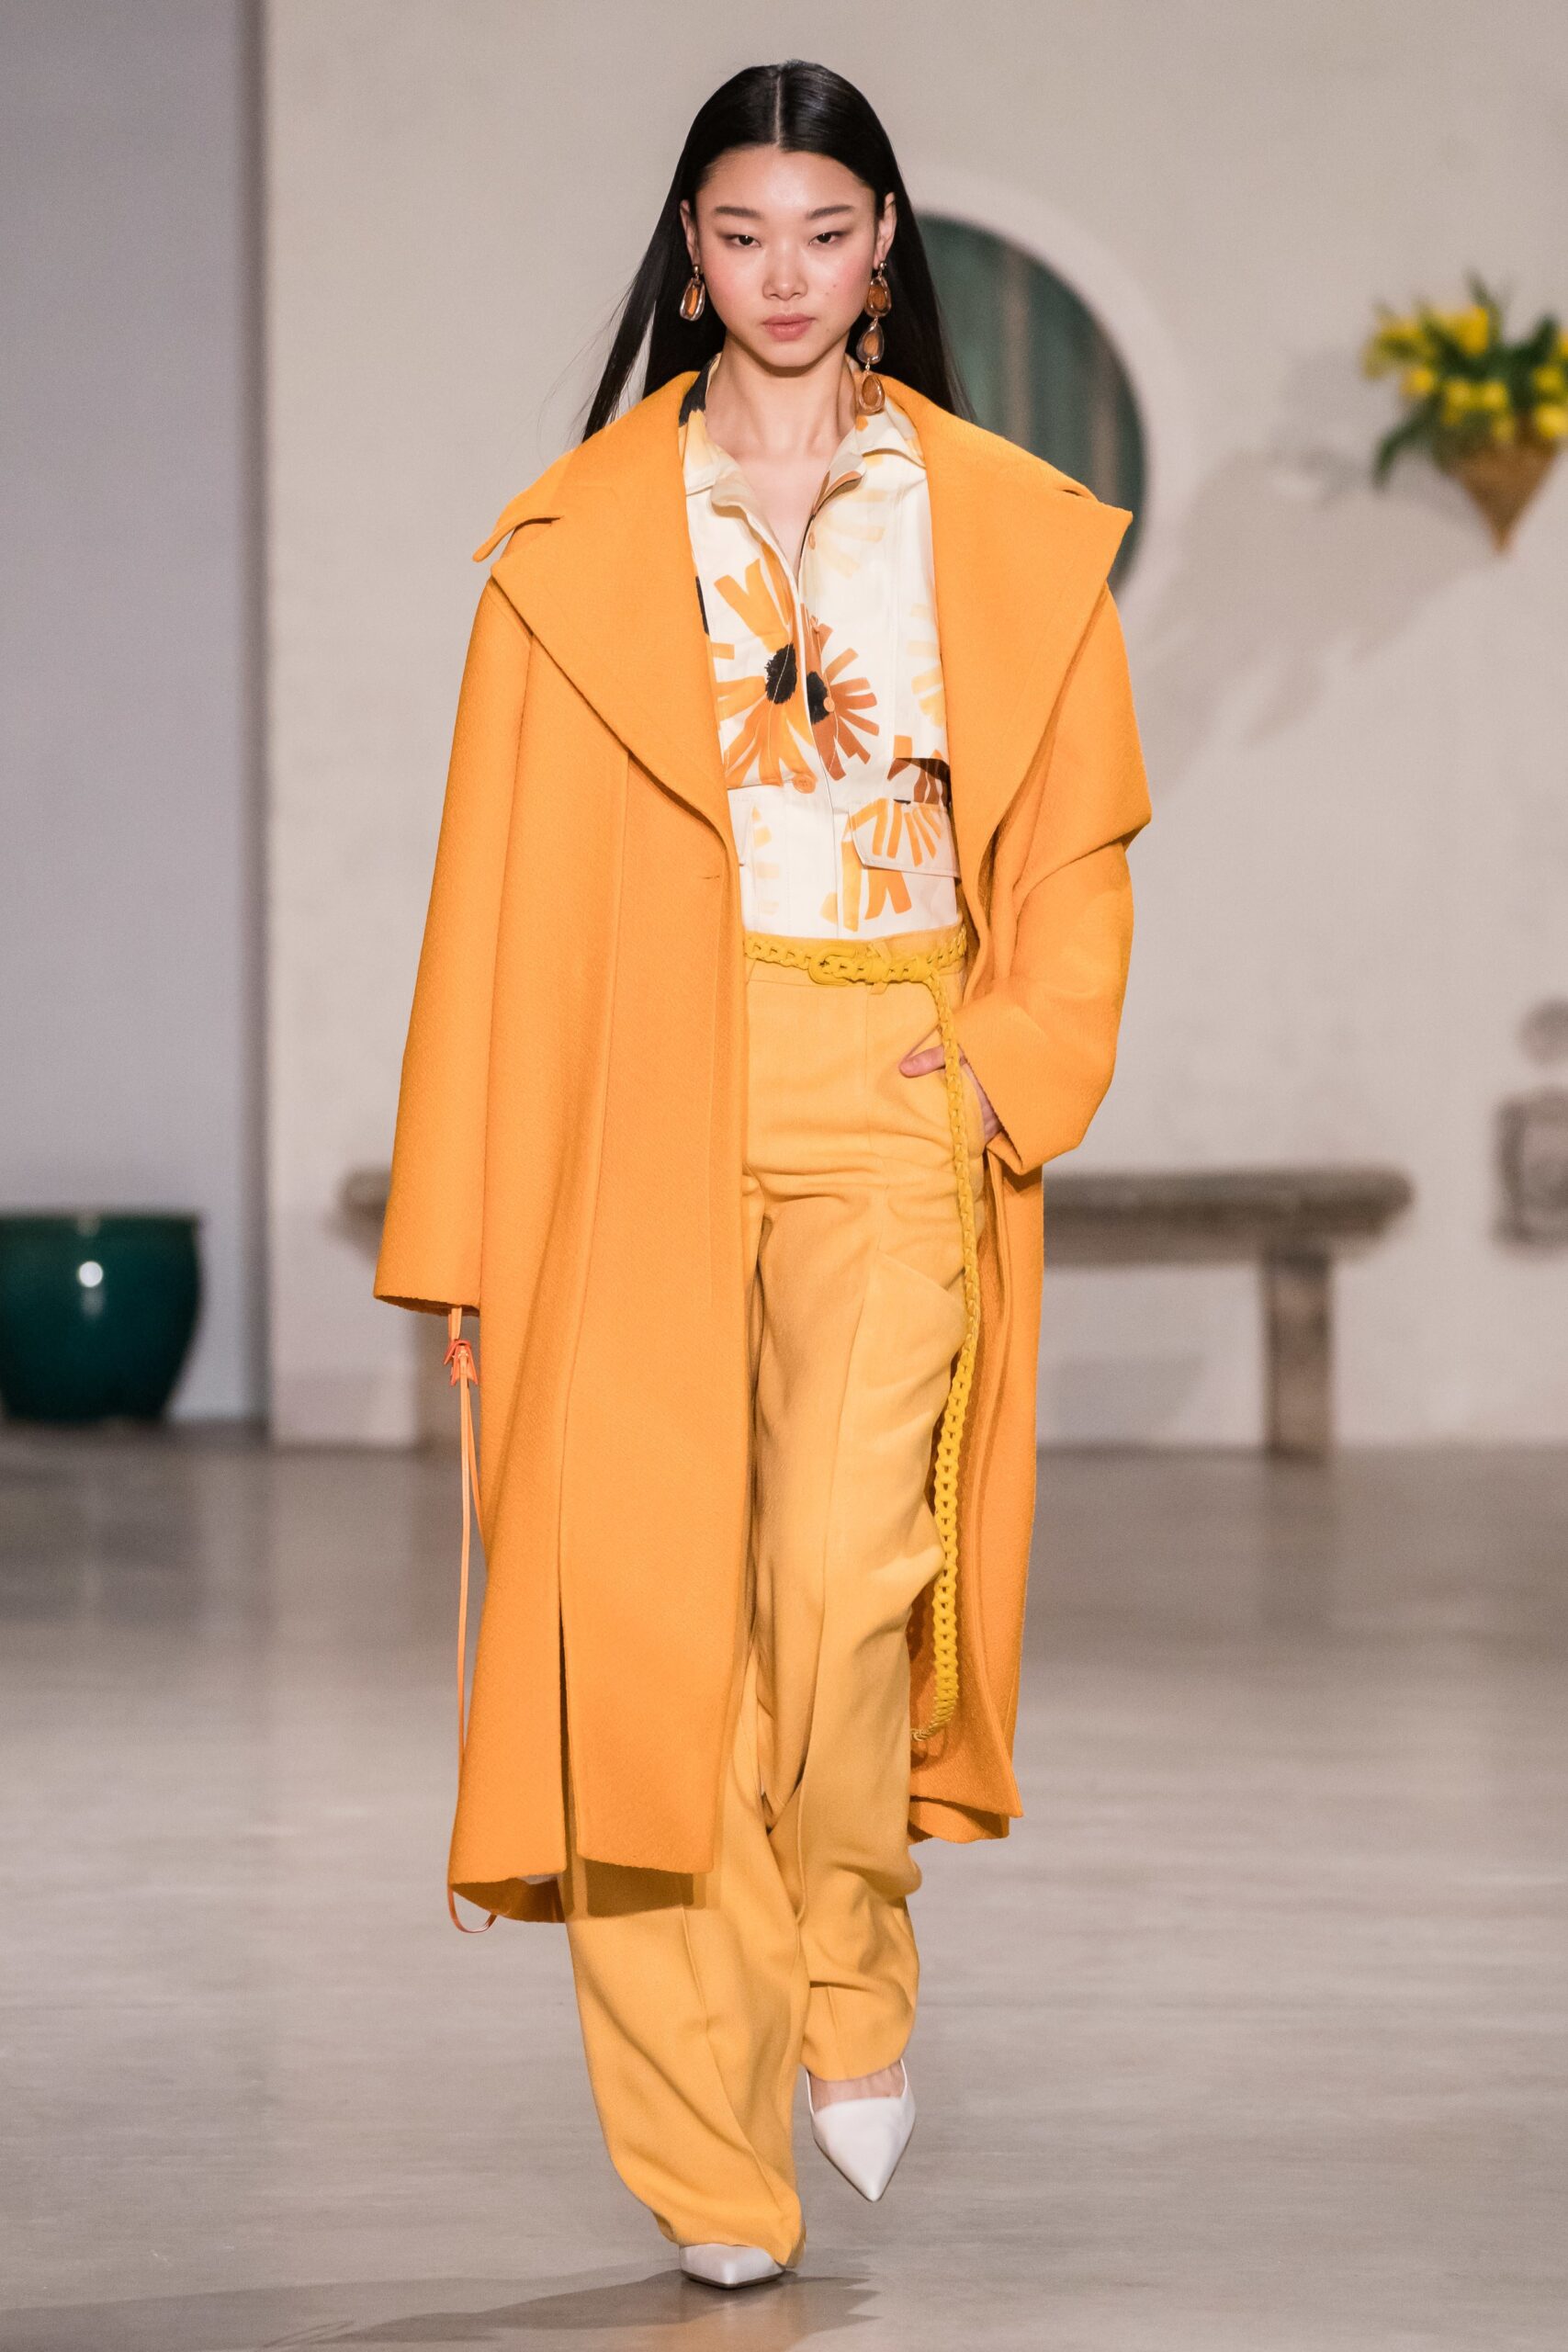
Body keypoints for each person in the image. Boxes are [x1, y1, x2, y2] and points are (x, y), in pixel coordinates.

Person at [374, 57, 1152, 2291]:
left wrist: (995, 1065)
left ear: (881, 241)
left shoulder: (993, 522)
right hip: (639, 1098)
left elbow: (1071, 847)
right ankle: (707, 2158)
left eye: (822, 230)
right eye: (741, 234)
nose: (783, 274)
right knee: (640, 1641)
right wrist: (466, 1221)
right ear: (690, 249)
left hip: (891, 1079)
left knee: (834, 1590)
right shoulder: (573, 544)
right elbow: (489, 895)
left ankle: (845, 1944)